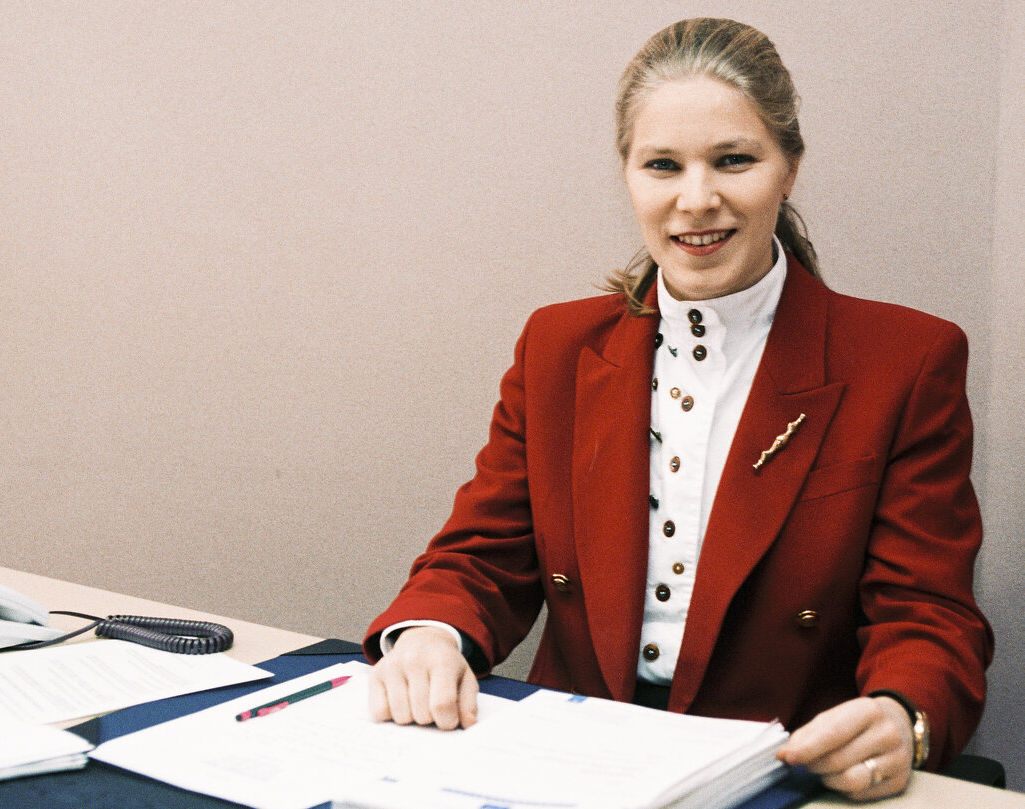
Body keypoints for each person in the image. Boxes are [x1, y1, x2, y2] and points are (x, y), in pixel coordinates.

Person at [362, 17, 993, 802]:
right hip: (570, 766)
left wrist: (905, 713)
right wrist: (430, 630)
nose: (698, 200)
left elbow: (927, 613)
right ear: (628, 172)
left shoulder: (906, 359)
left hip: (780, 774)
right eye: (663, 164)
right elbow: (482, 554)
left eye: (734, 159)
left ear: (789, 167)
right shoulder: (557, 344)